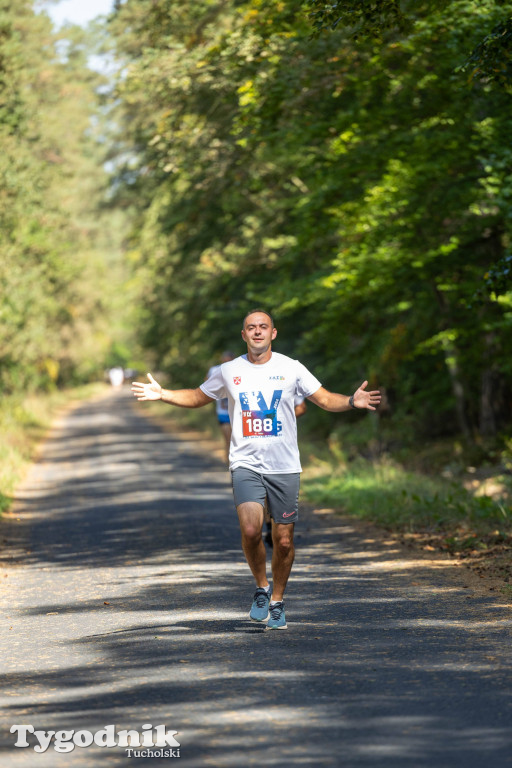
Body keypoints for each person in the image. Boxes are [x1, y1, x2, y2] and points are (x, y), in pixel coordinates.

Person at [132, 309, 381, 630]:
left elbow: (322, 399)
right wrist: (163, 394)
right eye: (251, 328)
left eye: (264, 327)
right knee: (251, 531)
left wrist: (350, 401)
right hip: (245, 463)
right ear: (244, 335)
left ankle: (277, 601)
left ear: (273, 333)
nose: (258, 332)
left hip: (285, 466)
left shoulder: (291, 368)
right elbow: (197, 396)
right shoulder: (229, 370)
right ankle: (261, 588)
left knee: (284, 540)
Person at [263, 394, 306, 548]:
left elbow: (301, 407)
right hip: (256, 443)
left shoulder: (290, 374)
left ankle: (277, 528)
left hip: (281, 446)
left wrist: (280, 419)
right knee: (264, 490)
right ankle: (269, 526)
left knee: (277, 492)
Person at [205, 351, 234, 464]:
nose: (226, 362)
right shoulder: (214, 370)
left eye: (229, 360)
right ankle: (229, 463)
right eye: (225, 360)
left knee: (237, 441)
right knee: (228, 439)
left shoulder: (240, 370)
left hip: (238, 413)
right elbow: (205, 387)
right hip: (223, 412)